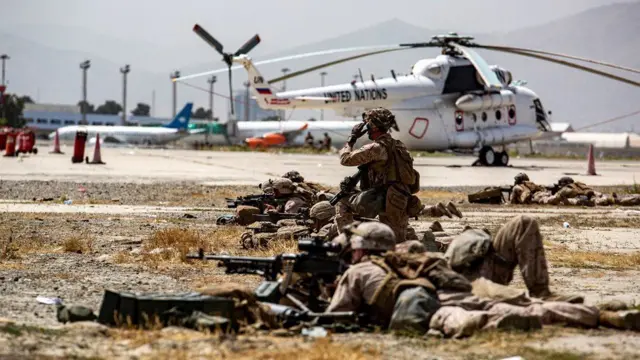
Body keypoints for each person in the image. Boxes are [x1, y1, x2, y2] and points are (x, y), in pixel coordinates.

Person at [334, 107, 419, 243]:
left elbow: (345, 159)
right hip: (401, 197)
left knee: (342, 201)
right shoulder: (399, 146)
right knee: (398, 241)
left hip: (385, 198)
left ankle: (347, 243)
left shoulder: (376, 148)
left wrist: (352, 139)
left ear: (371, 126)